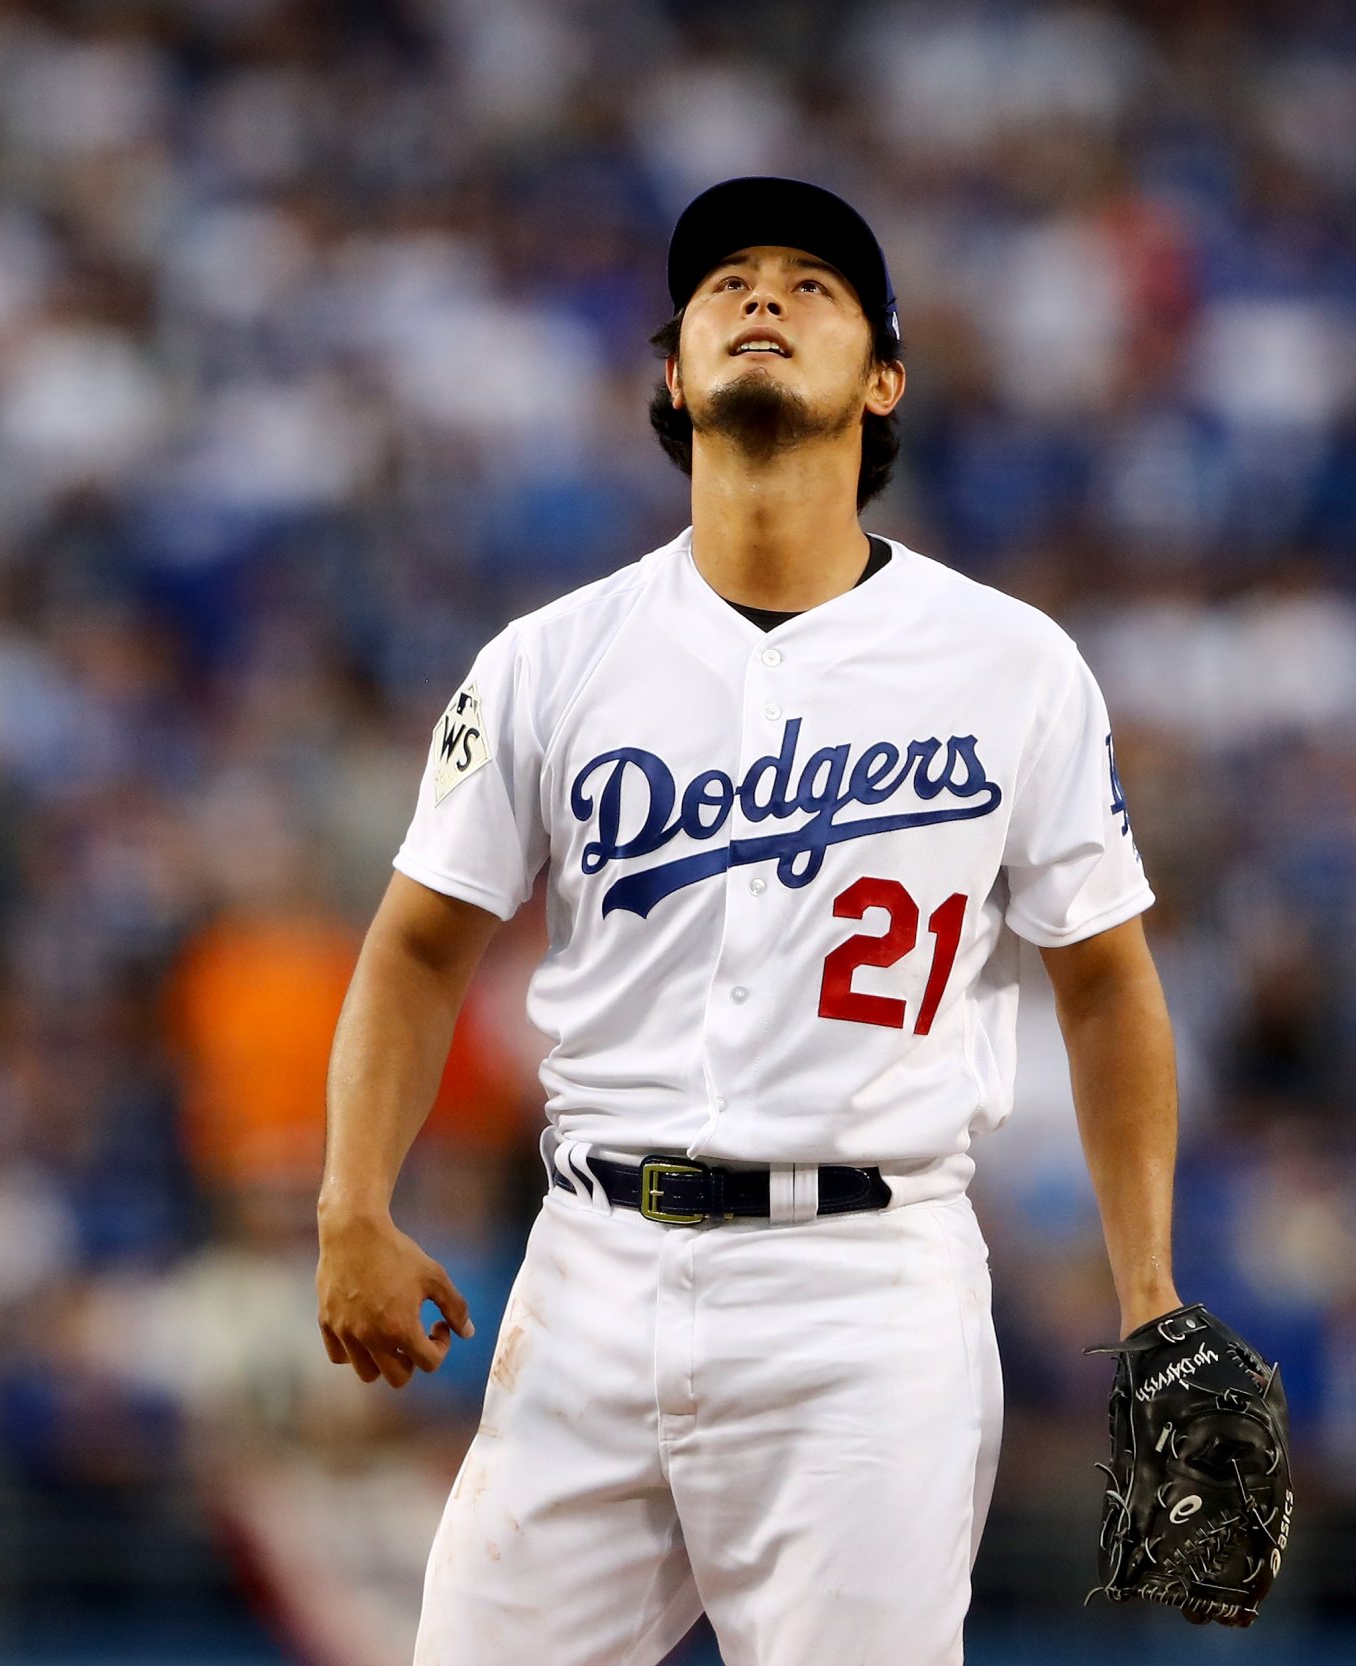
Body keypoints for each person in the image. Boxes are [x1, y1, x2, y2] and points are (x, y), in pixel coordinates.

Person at [315, 177, 1182, 1666]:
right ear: (672, 373)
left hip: (869, 1293)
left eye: (812, 285)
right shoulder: (547, 660)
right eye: (725, 285)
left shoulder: (1011, 663)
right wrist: (351, 1199)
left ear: (885, 379)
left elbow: (1104, 982)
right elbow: (415, 943)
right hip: (589, 1269)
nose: (762, 296)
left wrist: (1151, 1293)